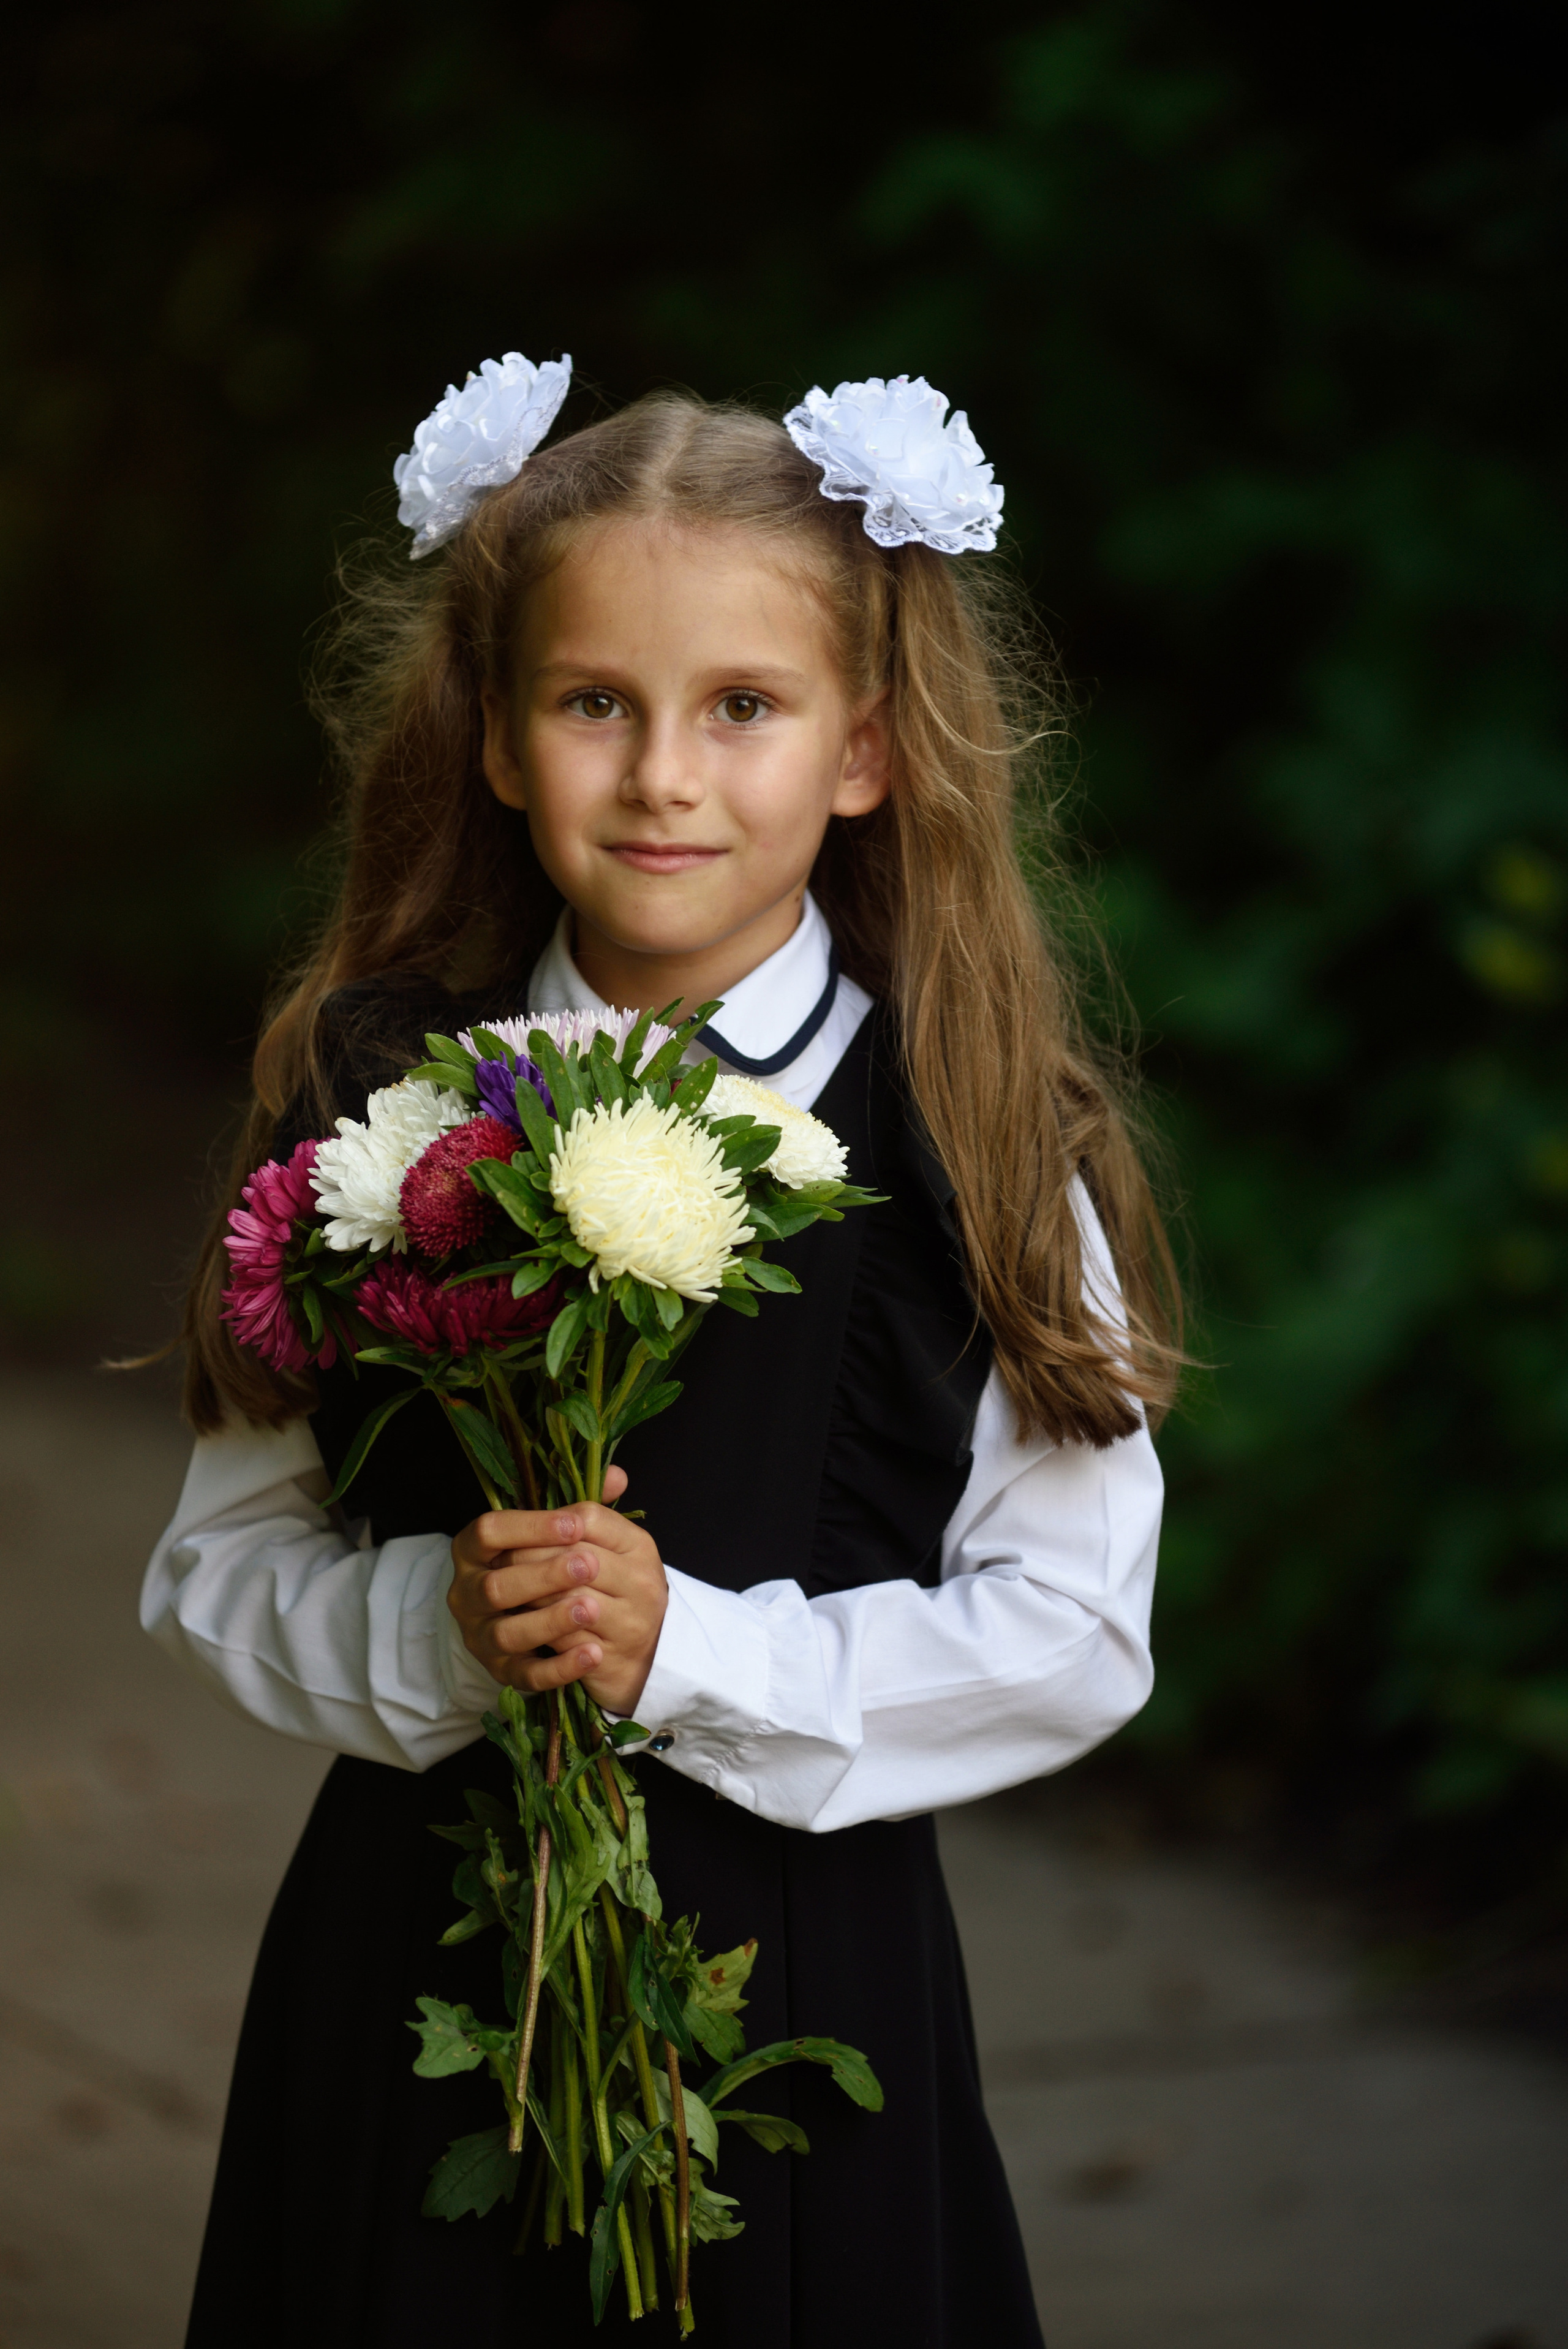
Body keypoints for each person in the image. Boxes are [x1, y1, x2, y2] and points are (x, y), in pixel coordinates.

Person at [143, 357, 1177, 2347]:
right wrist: (441, 1631)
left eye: (745, 709)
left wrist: (686, 1647)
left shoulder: (965, 1122)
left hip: (805, 1987)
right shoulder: (379, 1091)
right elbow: (217, 1563)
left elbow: (1074, 1621)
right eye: (594, 702)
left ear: (864, 749)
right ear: (504, 740)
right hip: (413, 1983)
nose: (665, 777)